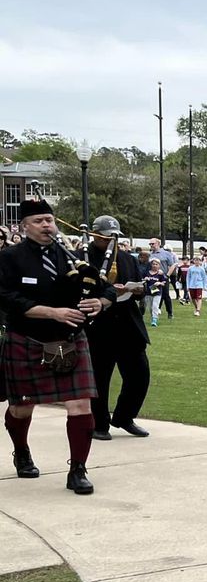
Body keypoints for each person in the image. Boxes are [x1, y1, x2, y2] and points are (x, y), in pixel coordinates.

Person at [0, 198, 114, 493]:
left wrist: (99, 303)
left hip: (70, 340)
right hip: (27, 339)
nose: (46, 226)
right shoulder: (10, 258)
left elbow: (108, 288)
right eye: (38, 221)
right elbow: (6, 298)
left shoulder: (72, 257)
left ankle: (78, 469)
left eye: (49, 220)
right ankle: (22, 451)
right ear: (24, 226)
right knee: (22, 407)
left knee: (80, 404)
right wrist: (52, 312)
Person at [81, 217, 151, 441]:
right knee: (100, 378)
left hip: (128, 325)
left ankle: (124, 417)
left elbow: (140, 284)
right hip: (99, 326)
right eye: (107, 236)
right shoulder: (83, 258)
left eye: (115, 236)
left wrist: (138, 290)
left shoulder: (126, 258)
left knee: (139, 375)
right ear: (95, 235)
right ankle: (99, 424)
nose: (112, 240)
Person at [147, 238, 177, 320]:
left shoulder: (166, 253)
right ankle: (155, 313)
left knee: (165, 295)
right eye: (150, 244)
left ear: (158, 244)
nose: (151, 245)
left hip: (163, 278)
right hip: (153, 278)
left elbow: (172, 265)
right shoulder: (150, 255)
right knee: (154, 294)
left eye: (152, 244)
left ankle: (170, 312)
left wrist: (167, 276)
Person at [143, 259, 166, 327]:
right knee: (150, 307)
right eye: (153, 264)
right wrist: (145, 279)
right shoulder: (146, 272)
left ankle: (154, 320)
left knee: (155, 306)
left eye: (156, 264)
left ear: (159, 265)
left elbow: (164, 282)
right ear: (151, 265)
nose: (155, 266)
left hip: (157, 292)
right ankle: (153, 316)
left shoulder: (160, 274)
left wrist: (159, 283)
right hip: (148, 292)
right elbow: (141, 279)